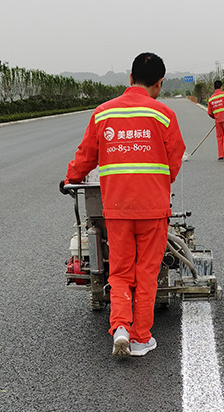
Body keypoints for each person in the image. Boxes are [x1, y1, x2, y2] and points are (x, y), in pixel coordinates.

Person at [61, 53, 186, 358]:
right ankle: (142, 337)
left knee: (119, 271)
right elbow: (175, 158)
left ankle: (119, 327)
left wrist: (70, 178)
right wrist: (159, 181)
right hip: (153, 209)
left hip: (116, 209)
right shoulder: (164, 114)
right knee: (146, 273)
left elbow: (86, 154)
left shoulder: (103, 114)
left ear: (129, 79)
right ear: (158, 84)